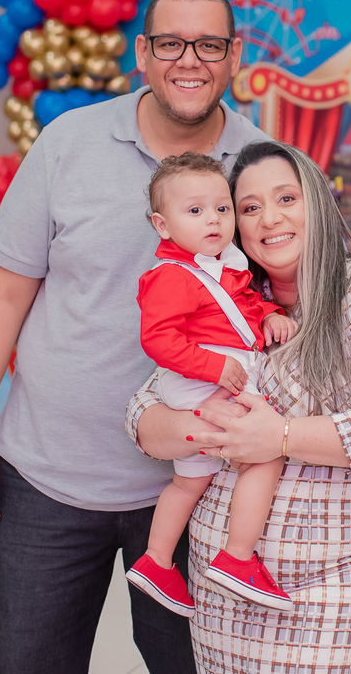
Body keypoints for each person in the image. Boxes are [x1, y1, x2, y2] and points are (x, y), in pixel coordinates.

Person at [0, 0, 273, 674]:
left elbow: (310, 308)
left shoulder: (263, 167)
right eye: (172, 43)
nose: (191, 60)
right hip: (44, 481)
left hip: (202, 485)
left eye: (210, 44)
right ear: (143, 54)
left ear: (235, 55)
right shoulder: (69, 143)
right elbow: (1, 294)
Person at [128, 140, 351, 673]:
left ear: (316, 202)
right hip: (221, 587)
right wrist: (198, 427)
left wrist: (282, 438)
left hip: (336, 580)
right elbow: (142, 416)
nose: (269, 218)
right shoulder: (228, 302)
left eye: (286, 198)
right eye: (248, 207)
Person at [127, 152, 298, 616]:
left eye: (223, 209)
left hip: (210, 378)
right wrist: (212, 367)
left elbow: (240, 306)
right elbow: (158, 339)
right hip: (200, 381)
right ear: (162, 226)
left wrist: (269, 314)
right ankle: (238, 556)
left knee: (190, 480)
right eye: (196, 211)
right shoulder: (172, 275)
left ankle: (157, 560)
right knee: (265, 454)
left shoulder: (225, 264)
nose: (214, 221)